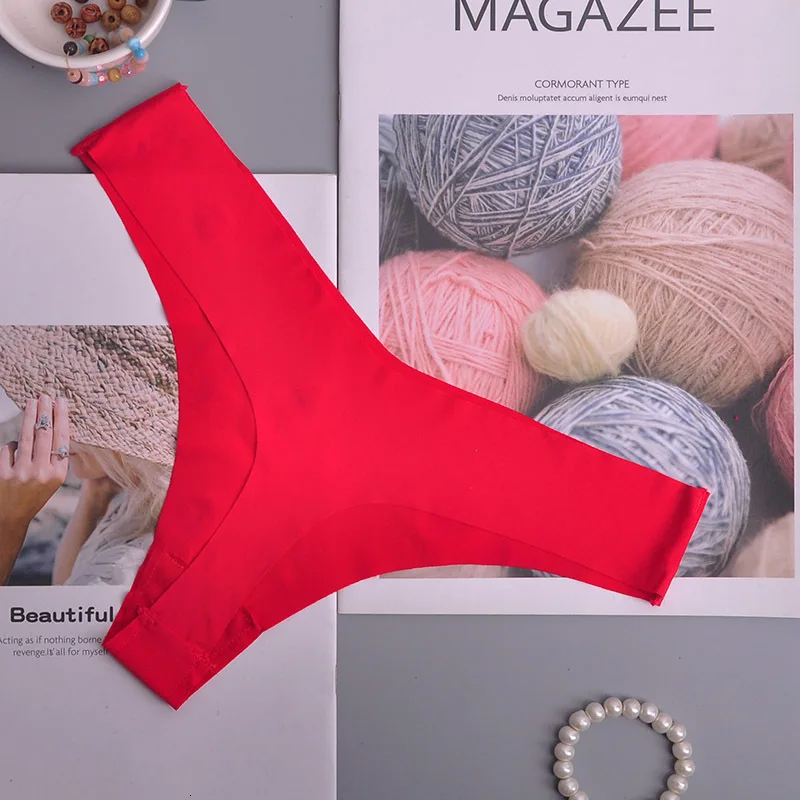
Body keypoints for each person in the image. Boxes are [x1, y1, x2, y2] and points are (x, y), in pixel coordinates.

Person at [0, 325, 177, 586]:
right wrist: (96, 493)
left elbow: (66, 606)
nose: (53, 430)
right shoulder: (140, 501)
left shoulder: (120, 570)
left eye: (69, 412)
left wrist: (10, 523)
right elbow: (66, 587)